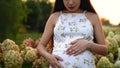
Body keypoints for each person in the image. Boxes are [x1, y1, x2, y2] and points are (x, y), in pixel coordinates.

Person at [37, 0, 108, 68]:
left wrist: (88, 45)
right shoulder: (55, 16)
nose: (70, 2)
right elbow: (40, 46)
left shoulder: (92, 17)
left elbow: (104, 50)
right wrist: (49, 57)